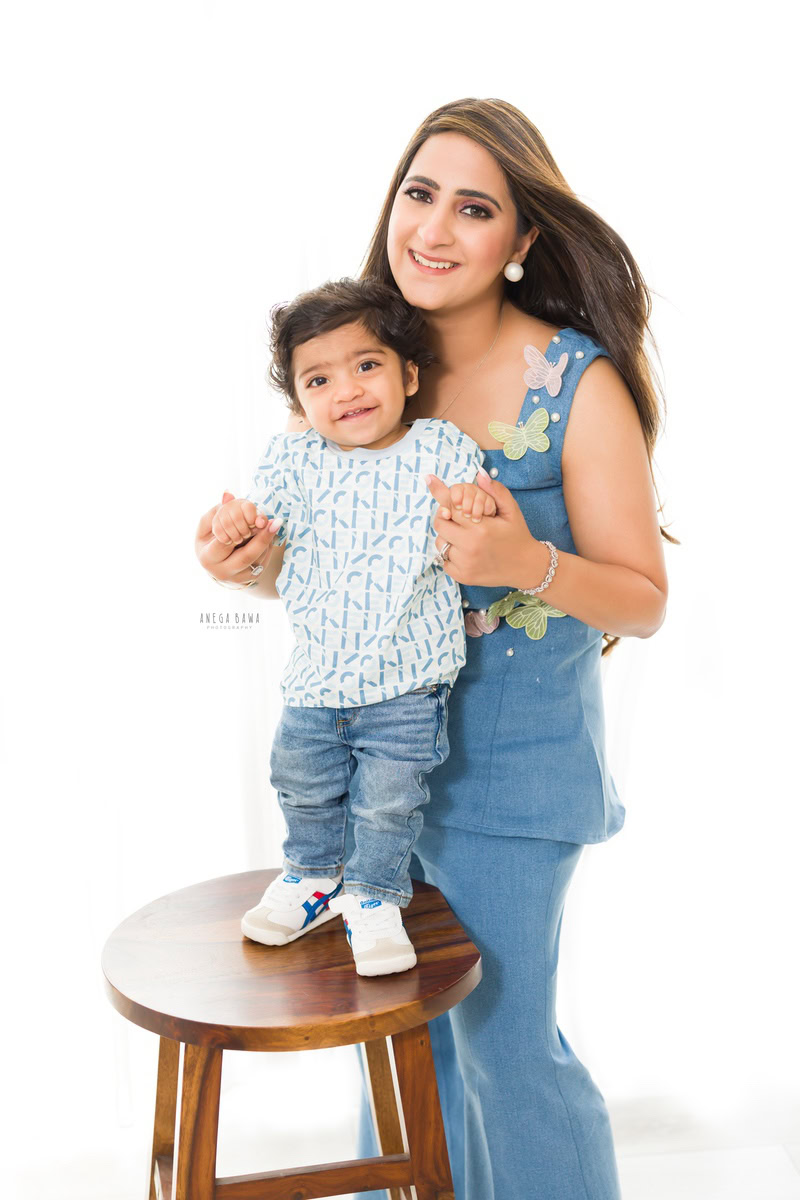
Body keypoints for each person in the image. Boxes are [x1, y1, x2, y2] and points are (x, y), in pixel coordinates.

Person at [195, 98, 670, 1199]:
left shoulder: (572, 385)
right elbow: (331, 578)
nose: (434, 228)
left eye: (474, 207)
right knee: (395, 1054)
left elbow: (642, 600)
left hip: (510, 777)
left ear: (520, 244)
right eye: (418, 194)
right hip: (372, 771)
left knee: (504, 1052)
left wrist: (522, 561)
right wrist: (248, 562)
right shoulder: (356, 372)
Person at [207, 277, 497, 977]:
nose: (348, 390)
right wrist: (237, 526)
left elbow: (475, 519)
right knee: (301, 780)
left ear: (408, 371)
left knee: (390, 802)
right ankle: (311, 877)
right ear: (299, 401)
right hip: (316, 677)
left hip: (407, 681)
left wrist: (467, 505)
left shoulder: (439, 448)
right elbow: (258, 531)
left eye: (367, 365)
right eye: (319, 379)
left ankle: (373, 897)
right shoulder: (294, 462)